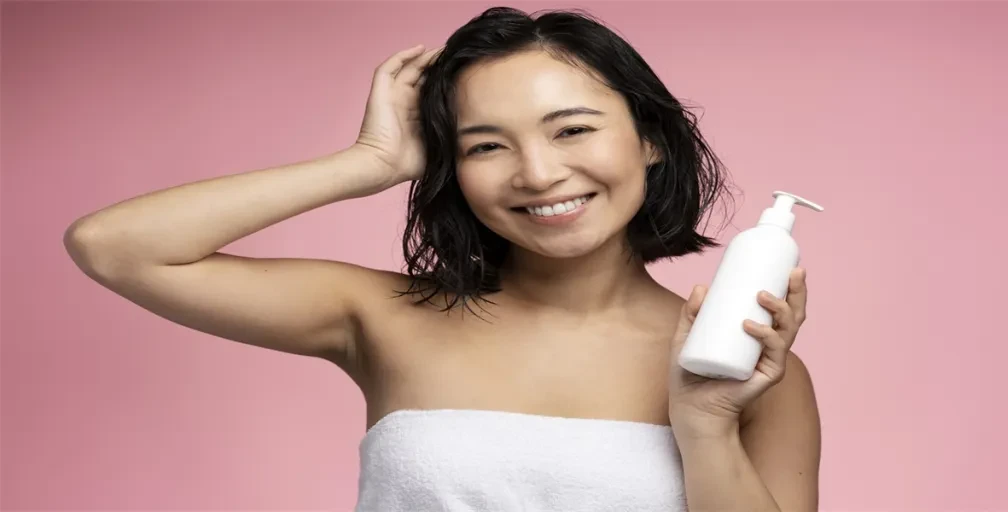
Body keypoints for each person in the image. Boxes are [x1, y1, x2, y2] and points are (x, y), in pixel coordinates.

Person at [64, 6, 821, 512]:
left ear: (650, 139)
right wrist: (368, 162)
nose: (536, 173)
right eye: (486, 145)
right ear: (451, 169)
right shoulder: (383, 318)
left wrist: (707, 425)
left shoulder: (742, 369)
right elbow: (117, 249)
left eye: (571, 130)